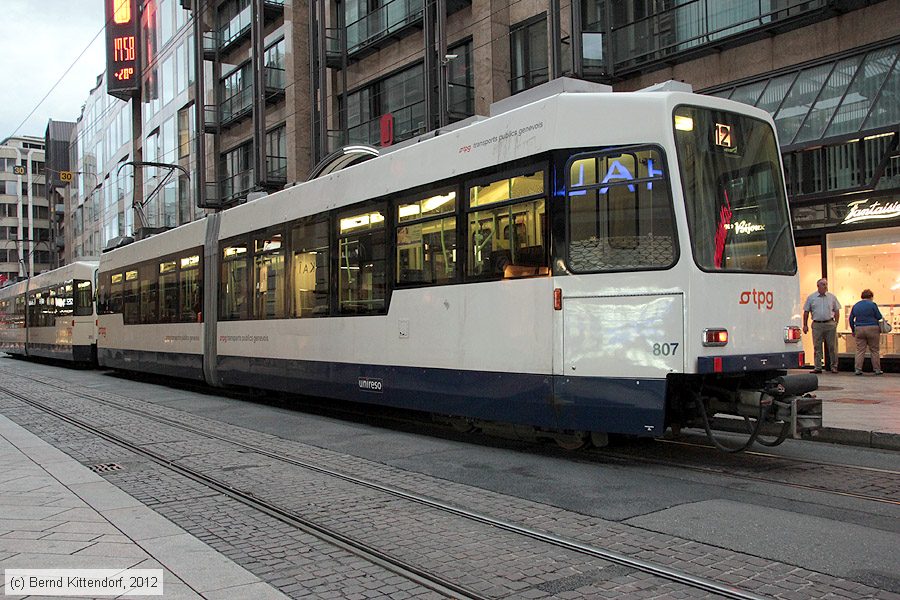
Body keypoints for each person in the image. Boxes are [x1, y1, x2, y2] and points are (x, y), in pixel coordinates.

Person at [802, 278, 841, 374]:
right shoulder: (811, 298)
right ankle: (818, 367)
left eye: (826, 284)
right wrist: (805, 325)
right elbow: (806, 311)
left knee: (832, 346)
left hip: (829, 323)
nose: (825, 286)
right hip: (817, 324)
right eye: (823, 284)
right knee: (817, 346)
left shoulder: (832, 297)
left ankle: (834, 366)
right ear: (818, 286)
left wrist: (836, 322)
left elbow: (837, 310)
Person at [849, 289, 884, 376]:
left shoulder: (856, 305)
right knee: (874, 350)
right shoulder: (872, 304)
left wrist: (853, 330)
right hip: (872, 328)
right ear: (871, 297)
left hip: (859, 328)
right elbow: (879, 316)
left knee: (860, 350)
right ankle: (877, 369)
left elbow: (850, 319)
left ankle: (858, 369)